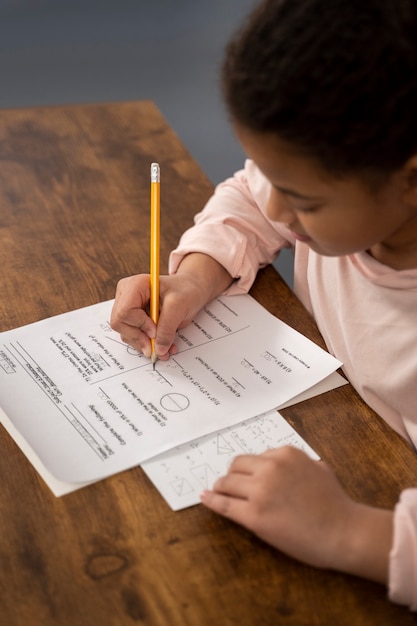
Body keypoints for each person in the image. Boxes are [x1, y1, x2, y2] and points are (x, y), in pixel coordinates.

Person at [110, 0, 417, 609]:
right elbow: (250, 198)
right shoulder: (337, 184)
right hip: (344, 422)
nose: (277, 212)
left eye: (303, 198)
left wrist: (351, 532)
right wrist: (196, 277)